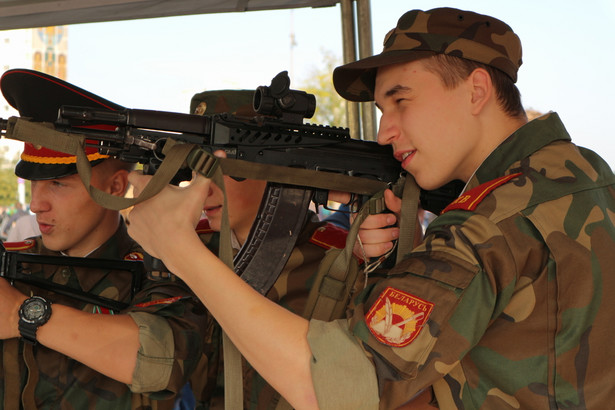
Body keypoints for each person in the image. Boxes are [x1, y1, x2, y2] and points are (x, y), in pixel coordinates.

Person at [124, 7, 615, 408]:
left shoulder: (487, 224)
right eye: (383, 110)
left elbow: (337, 388)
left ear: (477, 90)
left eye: (401, 101)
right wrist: (417, 258)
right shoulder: (586, 174)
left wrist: (180, 248)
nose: (385, 132)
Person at [0, 68, 208, 409]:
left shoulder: (161, 270)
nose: (37, 205)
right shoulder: (12, 263)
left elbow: (161, 364)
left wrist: (19, 315)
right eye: (34, 184)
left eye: (58, 184)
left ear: (115, 187)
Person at [178, 90, 354, 409]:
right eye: (197, 168)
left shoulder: (337, 260)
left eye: (222, 166)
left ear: (274, 165)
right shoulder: (190, 247)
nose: (203, 186)